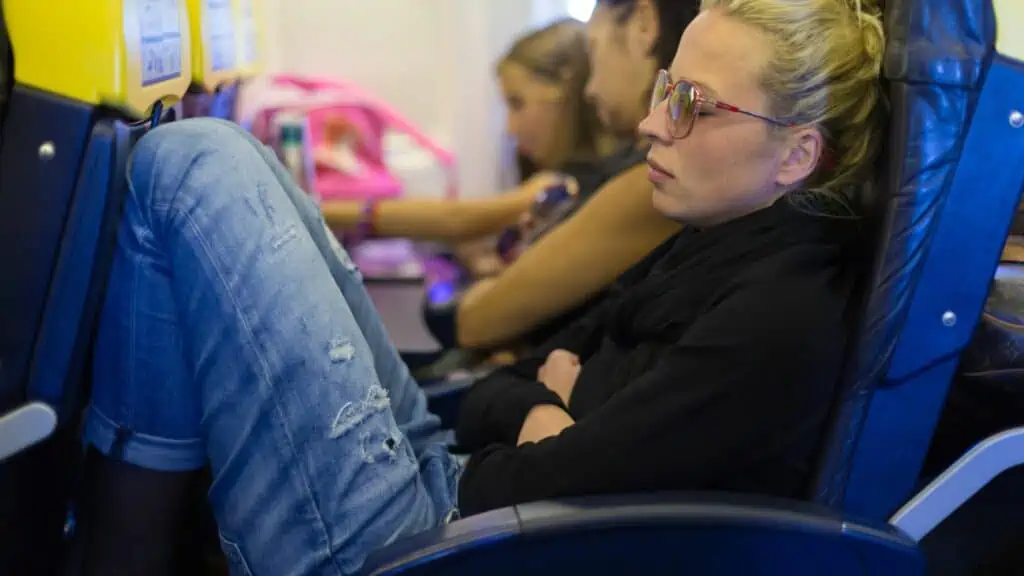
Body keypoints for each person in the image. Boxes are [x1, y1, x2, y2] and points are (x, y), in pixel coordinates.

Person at [83, 0, 886, 574]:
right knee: (245, 162)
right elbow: (516, 381)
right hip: (462, 489)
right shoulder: (713, 239)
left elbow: (554, 473)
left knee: (193, 164)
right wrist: (548, 407)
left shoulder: (779, 316)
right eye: (665, 90)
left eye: (694, 106)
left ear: (796, 155)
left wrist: (552, 408)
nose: (652, 123)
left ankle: (116, 549)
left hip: (433, 541)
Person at [454, 0, 698, 349]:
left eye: (594, 50)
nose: (588, 90)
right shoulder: (633, 169)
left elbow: (477, 321)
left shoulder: (656, 181)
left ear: (644, 23)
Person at [320, 18, 616, 245]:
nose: (511, 129)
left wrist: (323, 211)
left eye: (517, 104)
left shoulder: (568, 186)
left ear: (565, 95)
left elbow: (456, 219)